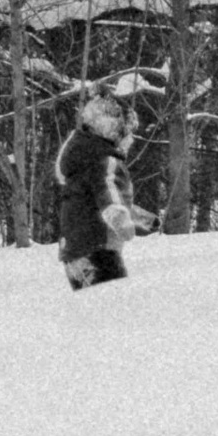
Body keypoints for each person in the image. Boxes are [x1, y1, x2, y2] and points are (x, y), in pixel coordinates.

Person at [55, 88, 142, 289]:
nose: (130, 140)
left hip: (76, 253)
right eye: (127, 133)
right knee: (113, 305)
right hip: (98, 250)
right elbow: (108, 192)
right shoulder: (106, 161)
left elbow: (98, 199)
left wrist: (142, 219)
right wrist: (118, 215)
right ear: (112, 130)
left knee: (97, 309)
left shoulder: (84, 160)